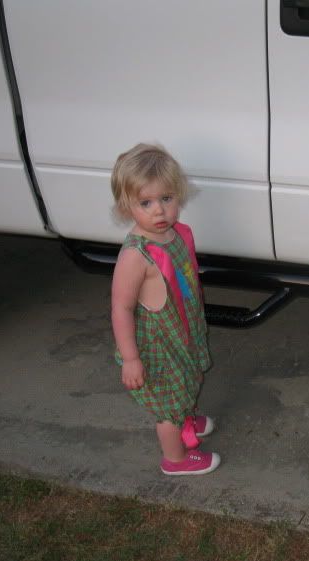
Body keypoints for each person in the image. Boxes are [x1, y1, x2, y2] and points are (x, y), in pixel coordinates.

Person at [110, 143, 220, 475]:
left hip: (182, 331)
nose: (159, 211)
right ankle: (176, 458)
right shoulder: (135, 256)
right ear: (127, 206)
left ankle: (186, 415)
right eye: (146, 203)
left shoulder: (174, 235)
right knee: (169, 405)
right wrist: (131, 358)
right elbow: (121, 308)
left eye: (166, 198)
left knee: (190, 377)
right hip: (159, 347)